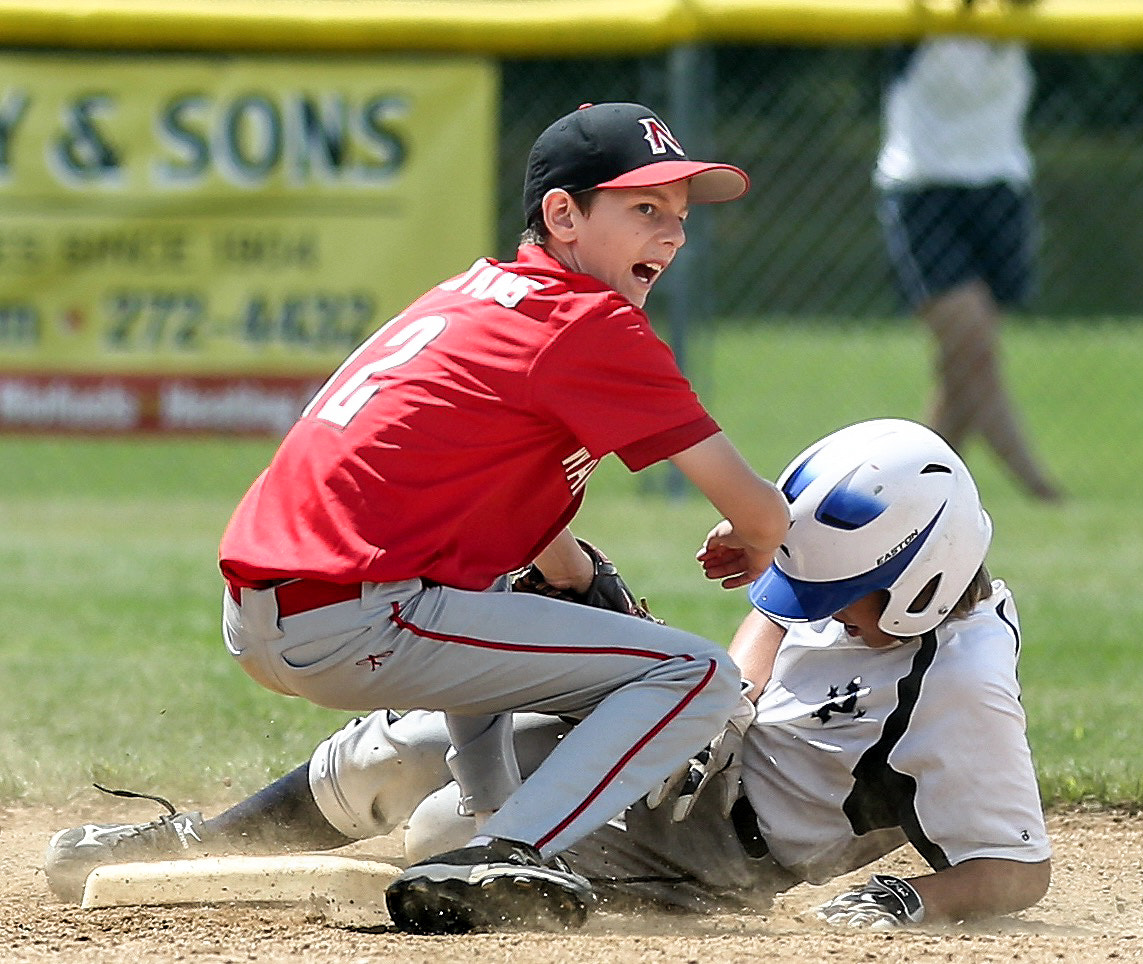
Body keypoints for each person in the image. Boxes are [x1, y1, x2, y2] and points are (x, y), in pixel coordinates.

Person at [46, 419, 1051, 929]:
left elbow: (1020, 864)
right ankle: (197, 842)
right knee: (409, 740)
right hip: (705, 762)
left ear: (923, 584)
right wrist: (716, 708)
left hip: (722, 857)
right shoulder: (872, 587)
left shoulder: (960, 690)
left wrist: (919, 901)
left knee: (450, 833)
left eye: (843, 594)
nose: (816, 606)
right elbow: (771, 629)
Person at [198, 101, 789, 934]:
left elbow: (485, 522)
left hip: (278, 610)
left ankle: (490, 824)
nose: (673, 235)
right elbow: (756, 508)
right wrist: (755, 536)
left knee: (501, 592)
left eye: (680, 216)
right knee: (693, 675)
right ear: (562, 214)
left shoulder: (477, 295)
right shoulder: (589, 320)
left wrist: (572, 573)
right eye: (645, 209)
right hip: (355, 617)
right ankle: (510, 850)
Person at [875, 36, 1063, 502]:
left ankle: (916, 495)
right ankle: (1041, 491)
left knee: (961, 367)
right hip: (923, 187)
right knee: (974, 351)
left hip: (1000, 186)